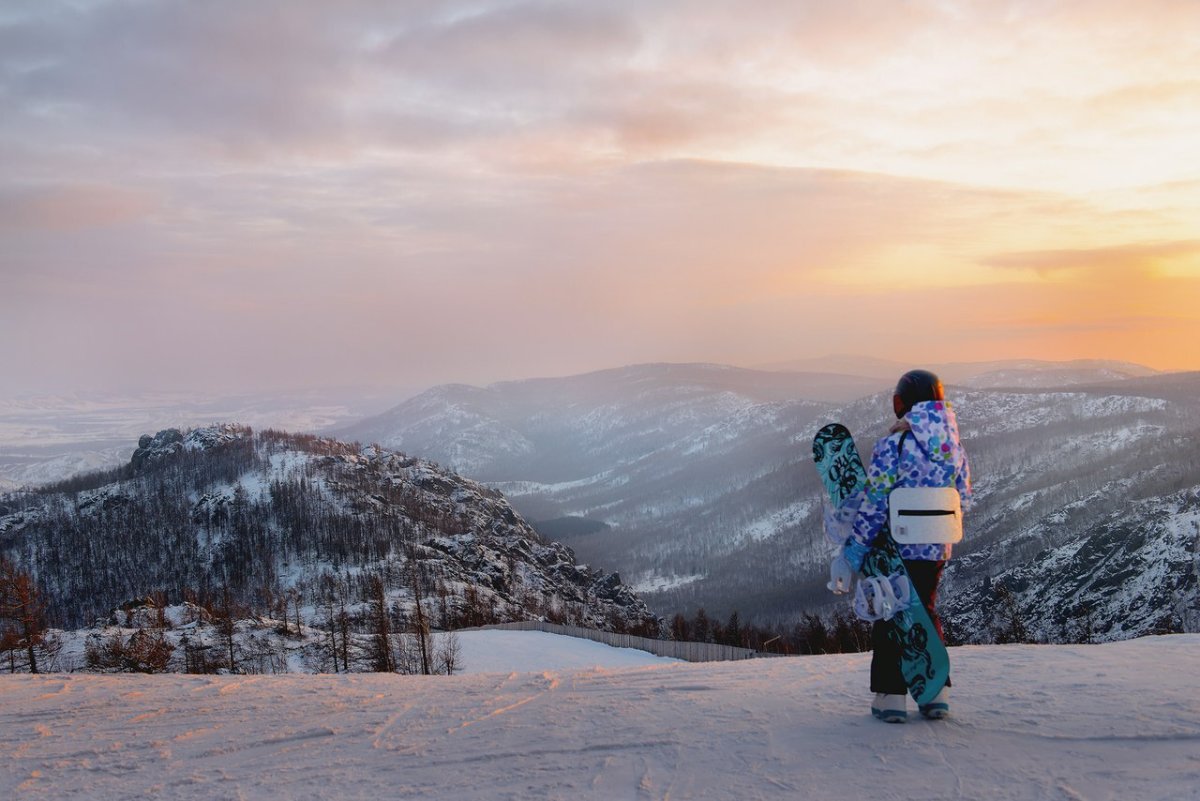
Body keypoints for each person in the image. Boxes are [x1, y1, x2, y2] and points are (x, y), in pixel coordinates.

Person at [841, 369, 971, 723]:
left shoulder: (893, 445)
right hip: (936, 547)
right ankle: (935, 693)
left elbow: (875, 501)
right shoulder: (953, 447)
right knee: (924, 611)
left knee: (890, 613)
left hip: (898, 545)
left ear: (903, 403)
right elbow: (965, 499)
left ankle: (891, 696)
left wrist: (855, 549)